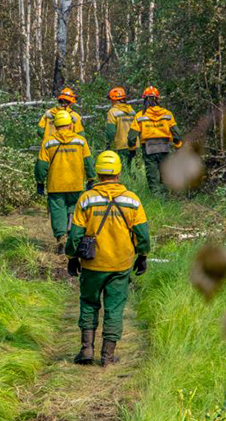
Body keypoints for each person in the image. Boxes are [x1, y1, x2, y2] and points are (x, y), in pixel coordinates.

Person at [65, 150, 150, 366]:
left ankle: (86, 349)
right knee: (114, 307)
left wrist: (72, 257)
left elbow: (75, 234)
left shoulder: (86, 199)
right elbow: (142, 234)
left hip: (92, 263)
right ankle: (107, 356)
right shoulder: (132, 200)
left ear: (98, 172)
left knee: (88, 302)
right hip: (120, 265)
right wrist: (142, 255)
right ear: (119, 172)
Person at [35, 111, 97, 254]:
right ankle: (71, 233)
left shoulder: (48, 142)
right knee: (74, 209)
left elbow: (41, 165)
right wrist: (91, 178)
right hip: (75, 184)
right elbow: (88, 161)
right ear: (70, 125)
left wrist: (39, 181)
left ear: (55, 125)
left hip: (55, 185)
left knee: (57, 212)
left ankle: (61, 240)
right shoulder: (80, 141)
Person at [127, 86, 182, 195]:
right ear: (157, 99)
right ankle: (167, 197)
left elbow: (131, 137)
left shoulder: (140, 116)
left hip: (149, 148)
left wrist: (132, 148)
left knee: (153, 175)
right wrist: (178, 145)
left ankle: (157, 198)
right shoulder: (167, 114)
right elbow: (177, 133)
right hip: (164, 147)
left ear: (145, 99)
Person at [105, 87, 138, 168]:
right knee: (134, 170)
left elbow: (111, 132)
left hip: (121, 145)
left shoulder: (112, 111)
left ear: (114, 99)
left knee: (123, 170)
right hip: (135, 145)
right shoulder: (132, 111)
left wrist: (108, 144)